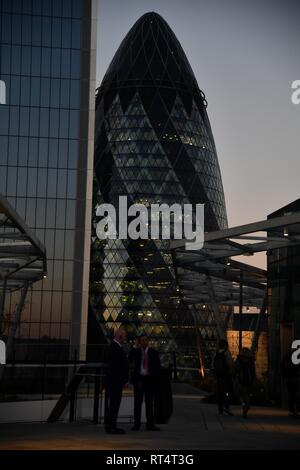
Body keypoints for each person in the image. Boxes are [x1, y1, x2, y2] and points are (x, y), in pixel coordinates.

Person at [130, 333, 161, 431]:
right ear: (139, 342)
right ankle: (137, 424)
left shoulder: (154, 352)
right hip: (139, 379)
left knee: (149, 403)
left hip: (149, 380)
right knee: (137, 403)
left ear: (148, 341)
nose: (144, 342)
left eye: (145, 340)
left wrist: (155, 379)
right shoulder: (136, 352)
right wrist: (135, 346)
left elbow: (157, 368)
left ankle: (150, 424)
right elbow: (129, 359)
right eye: (142, 340)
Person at [105, 328, 129, 434]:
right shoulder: (115, 348)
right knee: (114, 405)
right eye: (124, 336)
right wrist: (123, 380)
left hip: (114, 382)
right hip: (115, 383)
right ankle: (111, 427)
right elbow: (117, 367)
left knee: (113, 405)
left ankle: (111, 426)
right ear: (119, 336)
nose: (125, 338)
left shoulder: (114, 347)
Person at [213, 339, 234, 416]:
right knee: (230, 391)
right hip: (226, 375)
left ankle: (220, 409)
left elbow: (213, 365)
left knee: (220, 393)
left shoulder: (216, 353)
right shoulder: (226, 353)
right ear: (225, 345)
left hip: (219, 376)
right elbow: (230, 364)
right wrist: (232, 373)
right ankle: (227, 406)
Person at [234, 347, 255, 418]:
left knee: (239, 393)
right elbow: (253, 371)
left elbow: (235, 368)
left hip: (240, 379)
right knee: (247, 394)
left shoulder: (239, 359)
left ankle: (243, 403)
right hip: (248, 380)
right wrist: (253, 379)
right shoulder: (251, 360)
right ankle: (247, 405)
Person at [281, 345, 299, 417]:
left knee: (293, 394)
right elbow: (282, 366)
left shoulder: (288, 355)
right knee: (292, 394)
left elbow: (282, 366)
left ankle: (293, 410)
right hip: (291, 377)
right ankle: (293, 410)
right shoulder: (288, 355)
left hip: (292, 377)